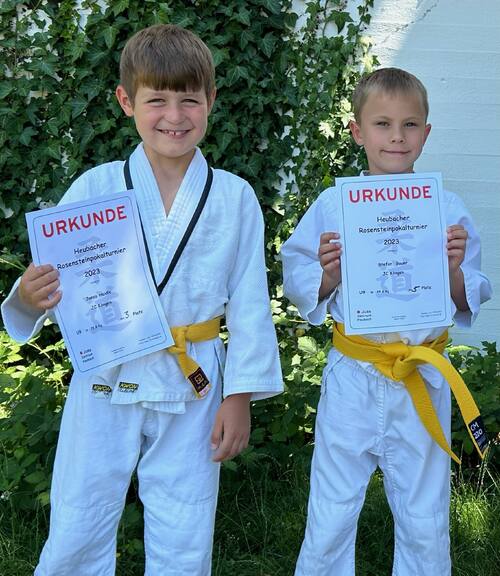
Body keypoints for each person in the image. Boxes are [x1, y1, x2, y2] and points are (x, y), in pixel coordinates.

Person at [1, 24, 283, 575]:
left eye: (189, 100)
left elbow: (250, 301)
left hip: (195, 377)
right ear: (127, 101)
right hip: (107, 372)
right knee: (81, 511)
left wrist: (240, 396)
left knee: (186, 516)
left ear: (212, 102)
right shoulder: (94, 188)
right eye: (157, 100)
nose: (174, 116)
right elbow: (63, 285)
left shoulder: (235, 197)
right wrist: (32, 299)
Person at [281, 67, 492, 575]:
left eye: (410, 125)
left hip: (421, 374)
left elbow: (469, 299)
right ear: (357, 131)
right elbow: (299, 277)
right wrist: (328, 274)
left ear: (426, 133)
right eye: (382, 124)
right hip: (355, 373)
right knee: (331, 505)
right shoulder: (335, 205)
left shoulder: (446, 208)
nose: (396, 137)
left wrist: (454, 269)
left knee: (424, 508)